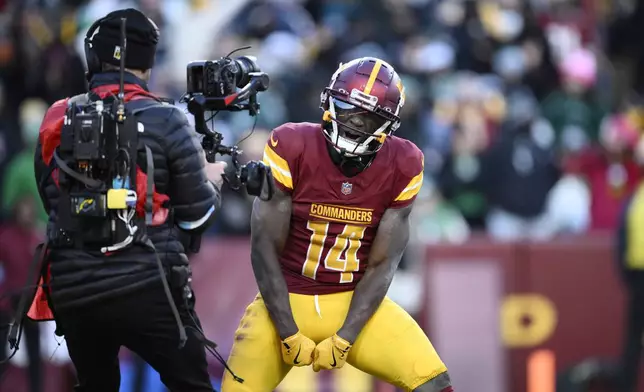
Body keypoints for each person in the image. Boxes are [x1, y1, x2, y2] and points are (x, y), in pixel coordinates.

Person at [222, 57, 453, 392]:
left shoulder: (404, 163)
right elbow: (264, 247)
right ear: (328, 100)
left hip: (354, 303)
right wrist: (287, 331)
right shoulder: (292, 145)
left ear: (388, 125)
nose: (355, 123)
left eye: (369, 117)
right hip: (285, 303)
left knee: (435, 383)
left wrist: (346, 337)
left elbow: (383, 264)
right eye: (347, 108)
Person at [31, 8, 225, 392]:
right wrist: (215, 183)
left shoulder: (58, 115)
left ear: (94, 58)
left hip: (73, 288)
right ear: (147, 64)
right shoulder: (167, 119)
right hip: (149, 285)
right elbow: (196, 217)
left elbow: (52, 200)